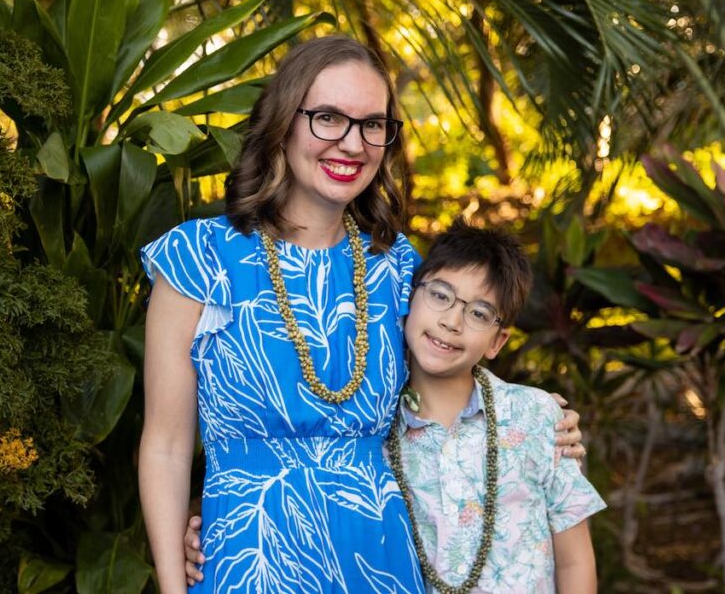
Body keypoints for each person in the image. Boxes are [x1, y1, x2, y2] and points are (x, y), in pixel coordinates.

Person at [140, 35, 583, 594]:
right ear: (284, 121)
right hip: (246, 560)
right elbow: (166, 444)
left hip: (379, 563)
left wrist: (543, 422)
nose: (352, 143)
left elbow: (448, 391)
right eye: (328, 118)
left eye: (373, 125)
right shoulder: (198, 258)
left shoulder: (400, 267)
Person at [184, 221, 604, 593]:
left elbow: (574, 558)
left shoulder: (535, 418)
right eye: (440, 295)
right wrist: (203, 523)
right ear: (406, 299)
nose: (451, 322)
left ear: (498, 341)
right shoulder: (373, 433)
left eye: (479, 313)